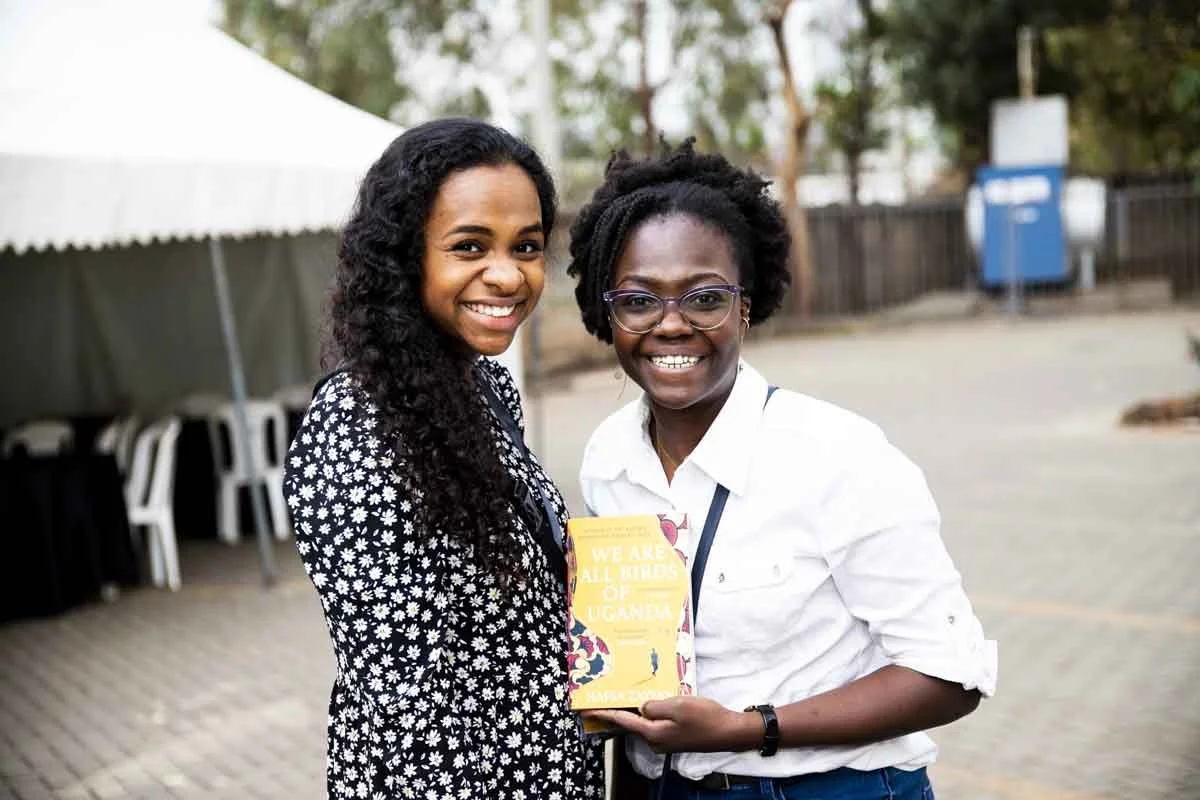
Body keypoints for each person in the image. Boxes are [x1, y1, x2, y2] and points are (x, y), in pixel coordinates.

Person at [566, 140, 997, 799]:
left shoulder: (837, 456)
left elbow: (951, 675)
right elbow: (629, 681)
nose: (671, 325)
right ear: (609, 314)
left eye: (704, 298)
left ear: (746, 303)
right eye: (639, 300)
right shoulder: (608, 460)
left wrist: (748, 728)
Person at [283, 118, 605, 799]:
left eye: (526, 247)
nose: (507, 274)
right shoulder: (357, 423)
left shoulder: (482, 385)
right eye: (469, 246)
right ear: (406, 256)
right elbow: (409, 708)